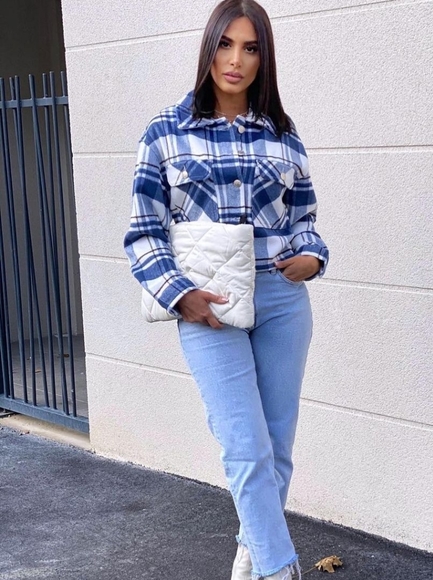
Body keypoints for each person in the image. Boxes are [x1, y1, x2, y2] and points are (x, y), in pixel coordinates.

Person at [124, 1, 329, 578]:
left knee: (277, 445)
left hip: (282, 299)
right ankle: (278, 568)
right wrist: (178, 294)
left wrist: (313, 257)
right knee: (245, 445)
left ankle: (252, 551)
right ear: (209, 48)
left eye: (250, 47)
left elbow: (304, 220)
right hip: (208, 306)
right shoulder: (165, 132)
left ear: (264, 58)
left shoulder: (283, 135)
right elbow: (143, 232)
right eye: (225, 44)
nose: (236, 59)